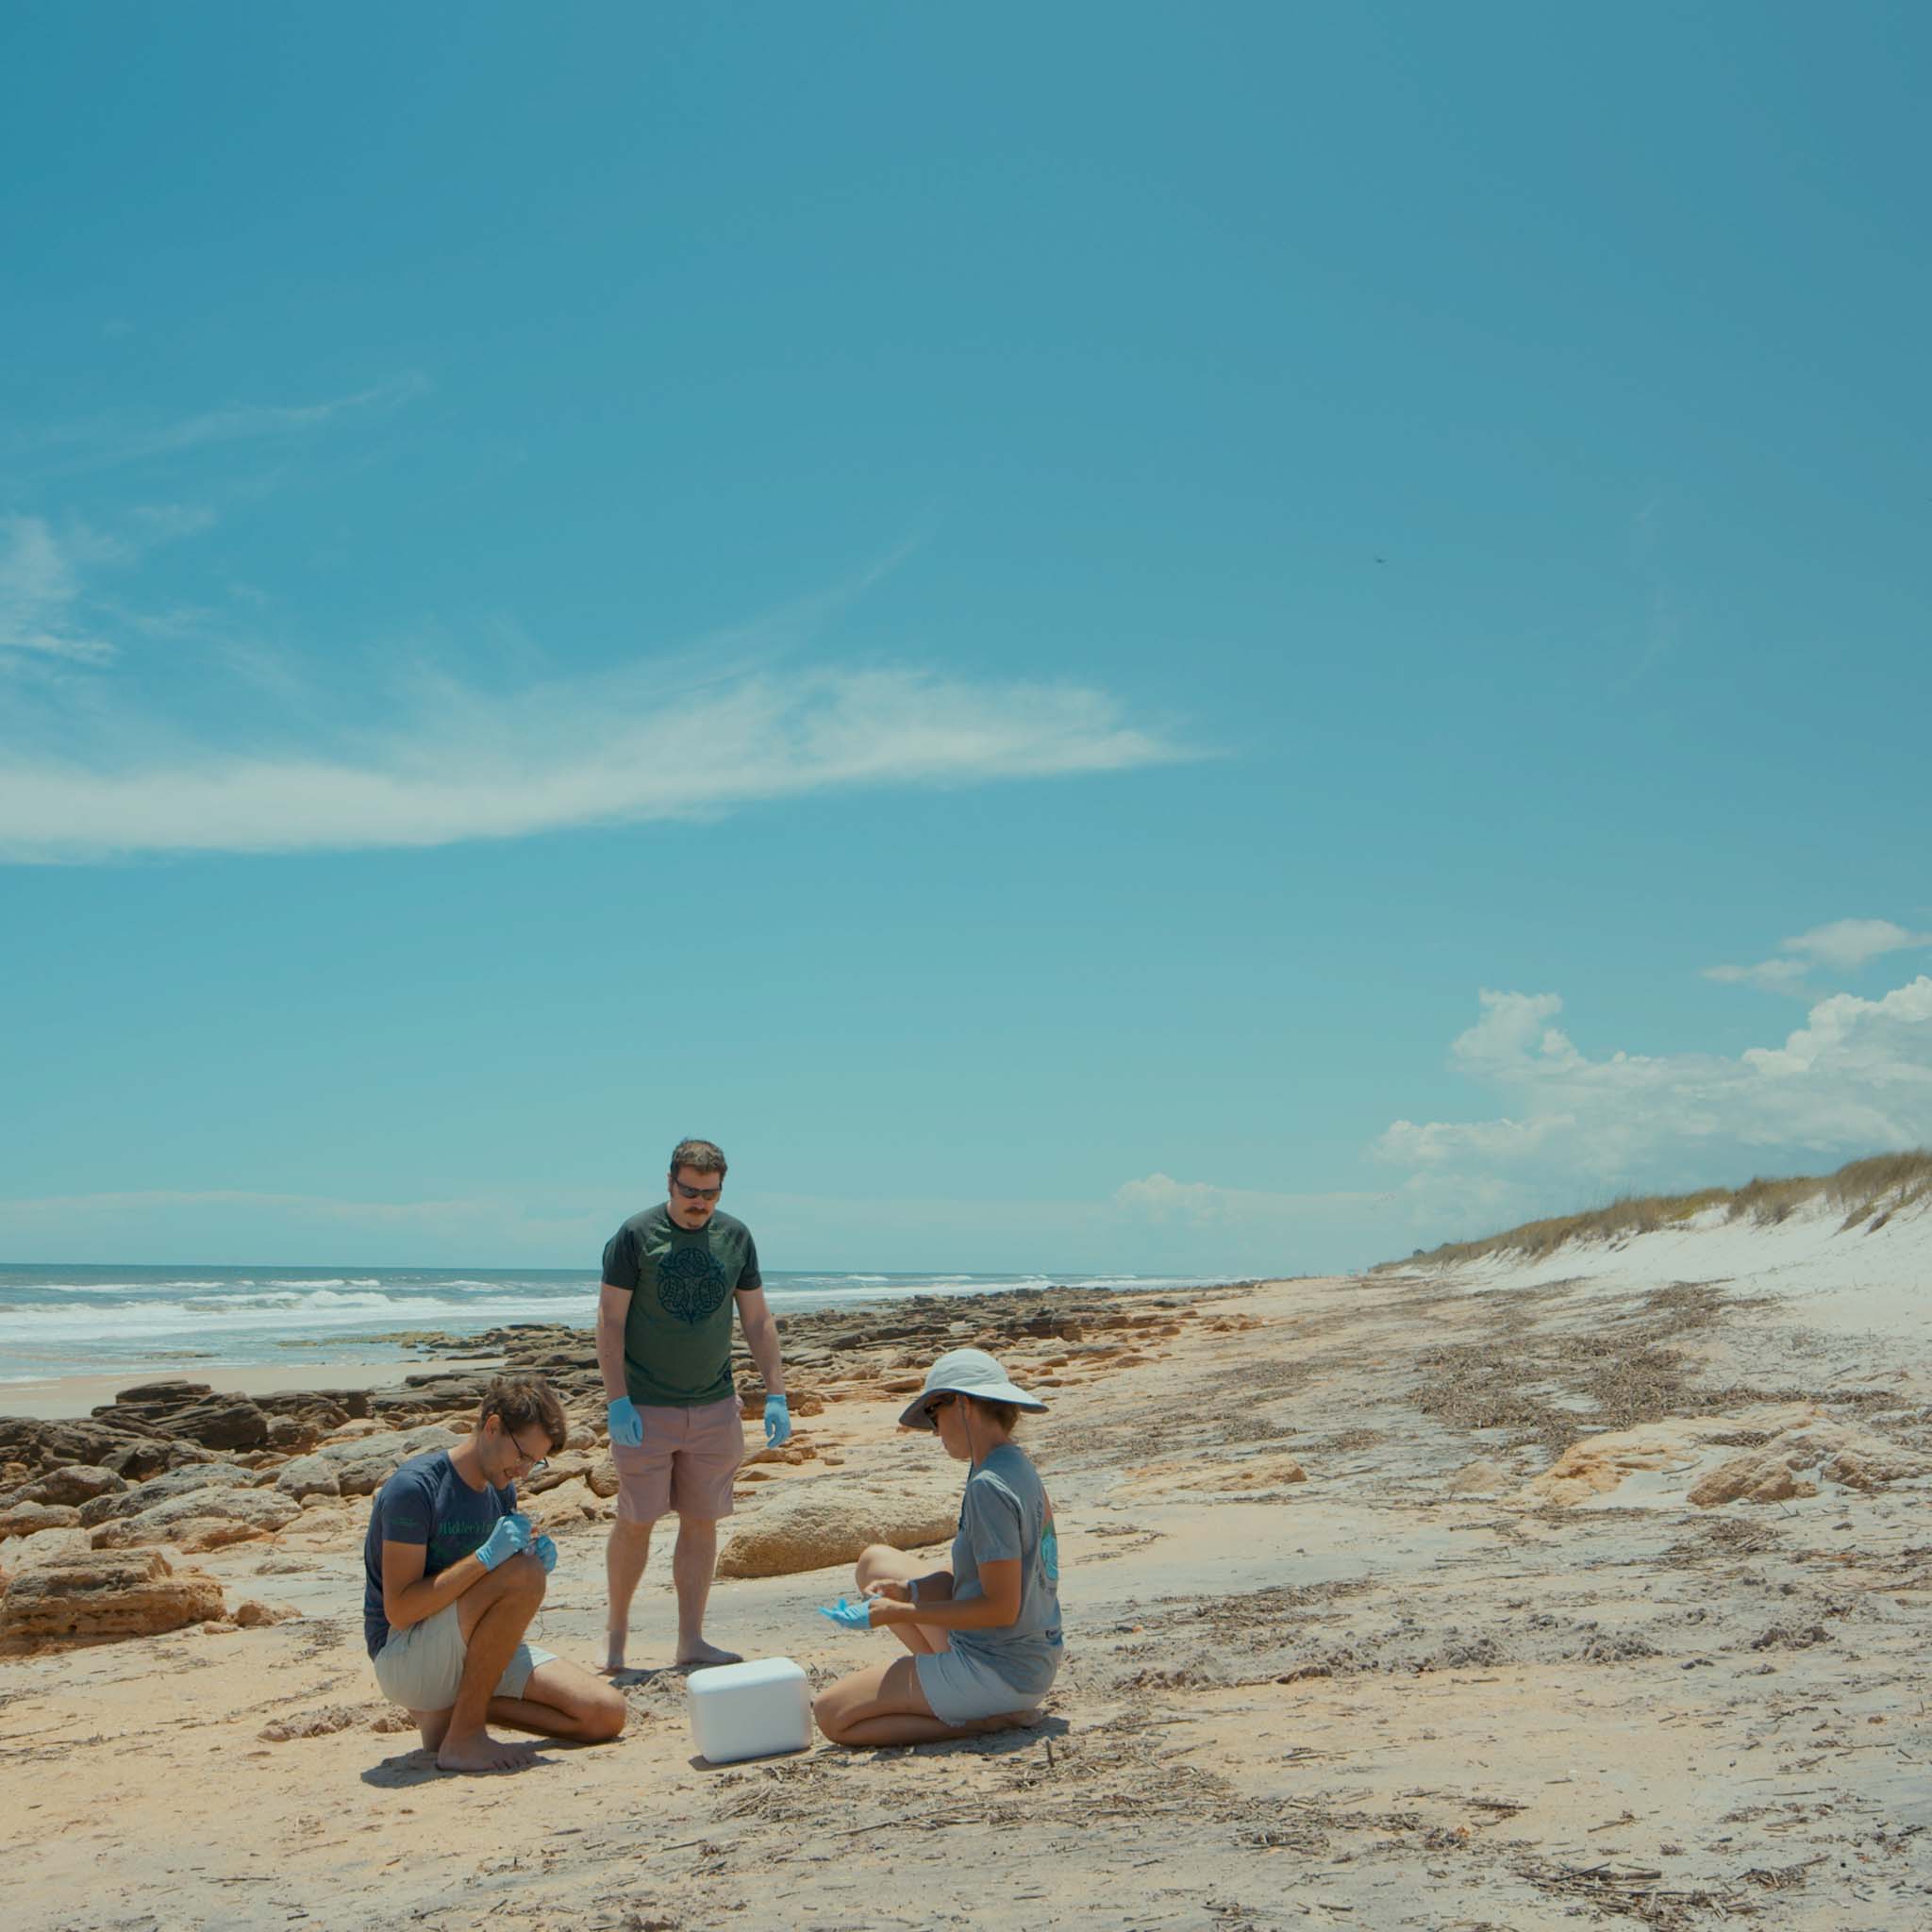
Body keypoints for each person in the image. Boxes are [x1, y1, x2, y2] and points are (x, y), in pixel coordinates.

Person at [361, 1374, 626, 1774]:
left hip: (468, 1649)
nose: (523, 1471)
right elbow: (399, 1611)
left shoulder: (500, 1489)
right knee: (524, 1574)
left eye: (535, 1463)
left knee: (604, 1714)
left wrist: (524, 1556)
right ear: (492, 1427)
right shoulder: (414, 1489)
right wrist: (489, 1559)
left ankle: (452, 1717)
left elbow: (495, 1592)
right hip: (405, 1656)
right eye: (521, 1456)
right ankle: (464, 1738)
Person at [597, 1137, 790, 1673]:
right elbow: (610, 1320)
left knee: (702, 1521)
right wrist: (618, 1402)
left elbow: (756, 1318)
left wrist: (775, 1392)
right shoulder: (635, 1237)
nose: (699, 1203)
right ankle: (616, 1637)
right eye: (689, 1191)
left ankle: (691, 1641)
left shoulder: (736, 1237)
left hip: (714, 1407)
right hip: (645, 1408)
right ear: (669, 1183)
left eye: (709, 1193)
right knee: (637, 1520)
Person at [812, 1347, 1062, 1746]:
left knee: (831, 1715)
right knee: (876, 1562)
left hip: (999, 1671)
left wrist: (901, 1611)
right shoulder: (1008, 1464)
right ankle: (946, 1692)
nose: (934, 1430)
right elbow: (979, 1582)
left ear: (962, 1405)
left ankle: (983, 1721)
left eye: (933, 1414)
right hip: (1030, 1656)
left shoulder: (987, 1488)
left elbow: (1001, 1607)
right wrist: (908, 1591)